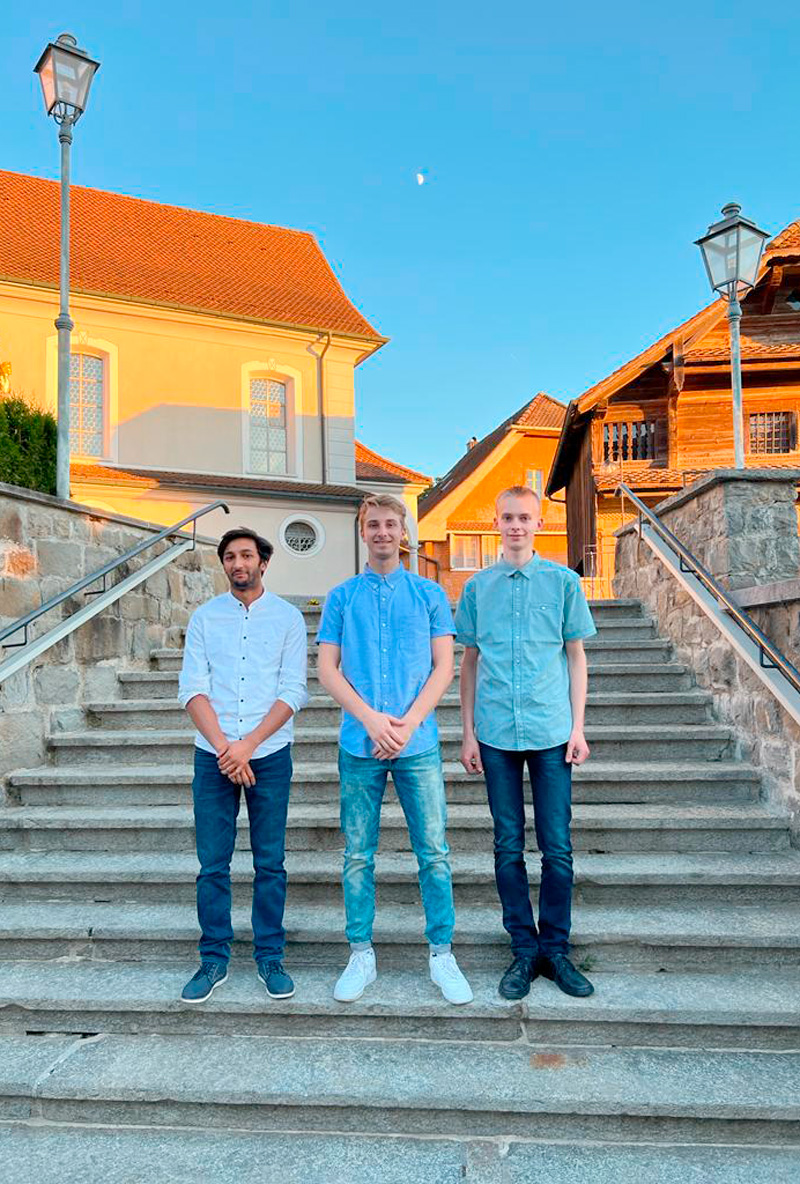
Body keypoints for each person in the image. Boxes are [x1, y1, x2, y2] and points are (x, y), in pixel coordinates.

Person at [317, 493, 473, 1005]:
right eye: (373, 524)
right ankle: (361, 953)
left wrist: (407, 724)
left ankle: (442, 954)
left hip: (418, 742)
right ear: (362, 532)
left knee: (434, 853)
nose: (382, 532)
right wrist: (370, 719)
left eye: (390, 524)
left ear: (402, 531)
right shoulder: (342, 597)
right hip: (359, 743)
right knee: (358, 854)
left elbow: (443, 667)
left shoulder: (429, 595)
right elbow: (327, 670)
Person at [455, 485, 597, 1000]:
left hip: (551, 732)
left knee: (557, 848)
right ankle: (522, 949)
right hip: (494, 733)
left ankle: (555, 950)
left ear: (538, 523)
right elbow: (468, 662)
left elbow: (576, 656)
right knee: (507, 844)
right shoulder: (477, 588)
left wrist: (578, 726)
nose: (516, 525)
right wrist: (467, 732)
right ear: (496, 522)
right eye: (508, 517)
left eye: (525, 517)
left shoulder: (563, 584)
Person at [177, 527, 308, 1003]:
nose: (238, 563)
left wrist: (248, 744)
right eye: (230, 556)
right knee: (212, 863)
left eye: (246, 555)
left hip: (269, 754)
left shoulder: (289, 618)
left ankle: (269, 956)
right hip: (212, 755)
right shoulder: (205, 618)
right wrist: (225, 748)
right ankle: (213, 959)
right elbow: (192, 687)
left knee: (269, 862)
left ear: (263, 562)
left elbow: (293, 690)